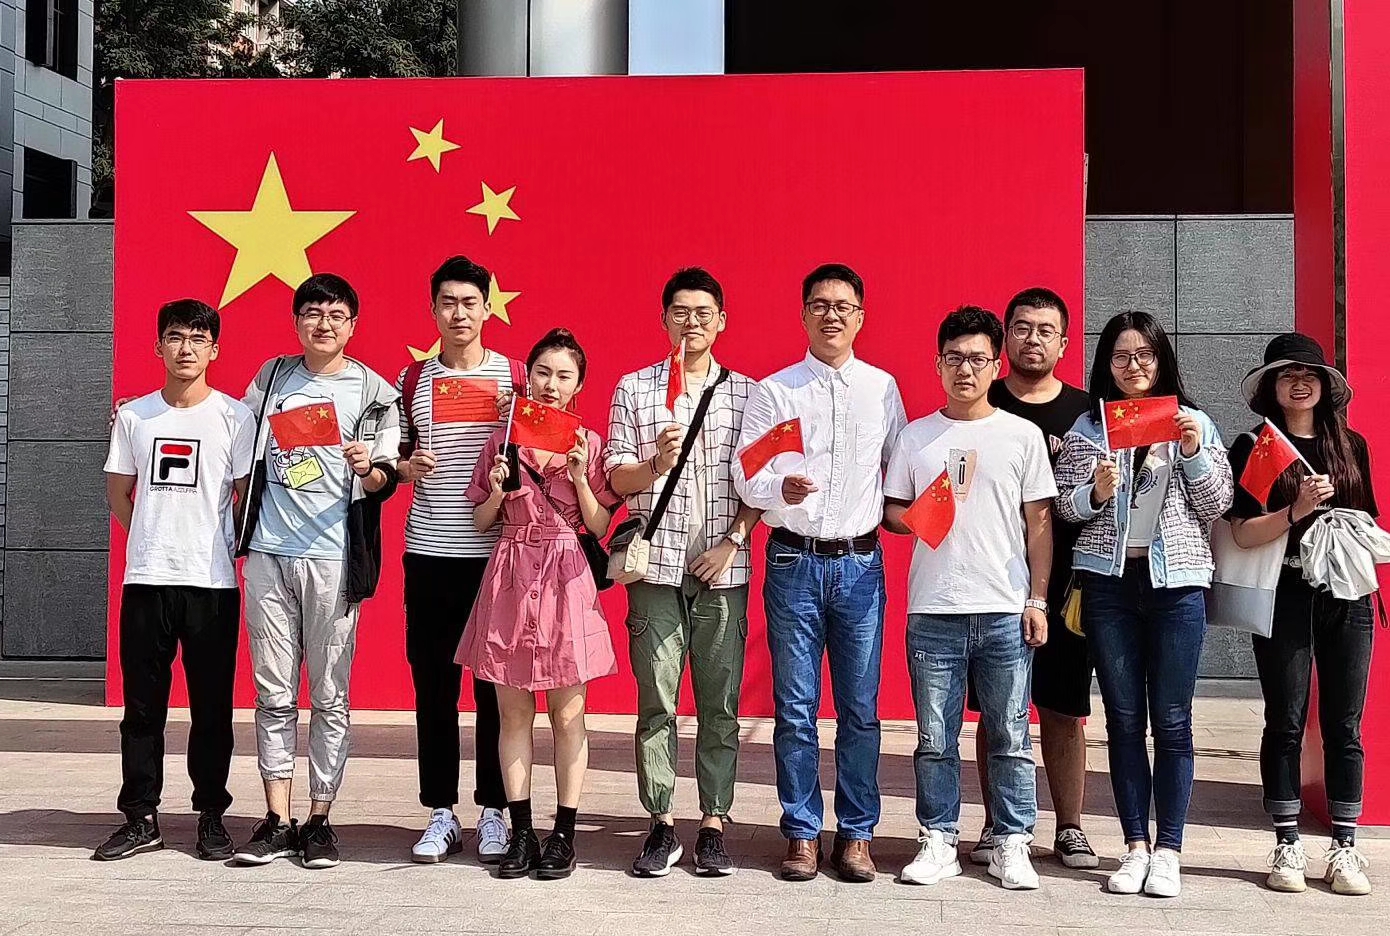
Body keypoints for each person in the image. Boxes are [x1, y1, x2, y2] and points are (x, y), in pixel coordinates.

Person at [732, 263, 907, 883]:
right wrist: (778, 487)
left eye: (843, 306)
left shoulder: (882, 389)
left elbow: (900, 469)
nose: (831, 315)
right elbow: (746, 473)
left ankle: (857, 834)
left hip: (859, 564)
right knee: (796, 706)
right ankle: (802, 832)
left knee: (860, 707)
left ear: (861, 316)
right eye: (819, 305)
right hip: (793, 562)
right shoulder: (776, 392)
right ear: (803, 314)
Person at [1053, 310, 1233, 898]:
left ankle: (1170, 849)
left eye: (1145, 355)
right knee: (1124, 718)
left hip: (1176, 584)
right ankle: (1134, 846)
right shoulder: (1089, 428)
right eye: (1121, 356)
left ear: (1162, 360)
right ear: (1106, 363)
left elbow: (1217, 504)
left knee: (1174, 720)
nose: (1133, 366)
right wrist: (1094, 492)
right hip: (1109, 586)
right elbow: (1064, 509)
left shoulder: (1193, 421)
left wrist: (1192, 452)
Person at [232, 273, 402, 869]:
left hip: (334, 559)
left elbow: (385, 479)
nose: (323, 324)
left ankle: (320, 818)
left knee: (331, 695)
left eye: (335, 315)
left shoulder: (376, 392)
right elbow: (230, 433)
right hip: (268, 554)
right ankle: (277, 817)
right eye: (312, 313)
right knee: (273, 692)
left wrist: (367, 468)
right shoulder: (272, 378)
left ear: (353, 325)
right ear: (296, 321)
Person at [883, 306, 1055, 890]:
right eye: (954, 358)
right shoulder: (916, 436)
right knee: (935, 738)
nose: (966, 369)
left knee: (1010, 733)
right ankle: (939, 838)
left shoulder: (1021, 435)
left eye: (978, 359)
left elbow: (1039, 525)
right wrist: (919, 516)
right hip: (934, 609)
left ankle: (1012, 841)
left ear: (996, 365)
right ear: (937, 364)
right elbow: (891, 513)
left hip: (1004, 607)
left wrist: (1037, 600)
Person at [604, 267, 761, 878]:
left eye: (702, 313)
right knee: (657, 702)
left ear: (722, 320)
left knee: (720, 704)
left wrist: (732, 542)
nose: (690, 323)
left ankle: (714, 823)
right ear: (663, 318)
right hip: (657, 571)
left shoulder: (747, 393)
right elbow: (616, 478)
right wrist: (654, 464)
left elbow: (761, 482)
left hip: (724, 570)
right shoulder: (635, 388)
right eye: (679, 312)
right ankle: (661, 823)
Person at [94, 299, 256, 862]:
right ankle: (140, 817)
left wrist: (207, 540)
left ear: (215, 350)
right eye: (175, 337)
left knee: (211, 708)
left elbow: (243, 497)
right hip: (146, 580)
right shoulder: (135, 417)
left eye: (197, 339)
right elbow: (119, 493)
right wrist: (152, 534)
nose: (186, 348)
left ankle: (211, 814)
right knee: (142, 709)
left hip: (213, 583)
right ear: (158, 346)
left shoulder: (235, 418)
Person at [456, 328, 620, 881]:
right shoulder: (501, 439)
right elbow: (481, 519)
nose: (551, 385)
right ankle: (521, 831)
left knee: (568, 714)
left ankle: (563, 834)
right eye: (543, 373)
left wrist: (580, 478)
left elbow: (599, 524)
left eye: (563, 376)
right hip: (510, 571)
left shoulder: (588, 443)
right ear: (528, 378)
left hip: (566, 575)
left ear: (579, 386)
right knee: (513, 712)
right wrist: (497, 491)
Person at [1227, 333, 1378, 896]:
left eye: (1309, 374)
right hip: (1285, 589)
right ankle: (1286, 840)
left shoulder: (1350, 445)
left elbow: (1368, 516)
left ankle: (1345, 844)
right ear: (1270, 386)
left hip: (1348, 592)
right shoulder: (1256, 446)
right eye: (1287, 374)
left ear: (1325, 385)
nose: (1299, 383)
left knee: (1344, 722)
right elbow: (1242, 532)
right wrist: (1297, 510)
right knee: (1285, 719)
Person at [395, 256, 524, 864]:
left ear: (487, 308)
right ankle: (441, 812)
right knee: (433, 686)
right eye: (448, 302)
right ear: (433, 310)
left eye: (470, 302)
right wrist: (404, 467)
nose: (459, 313)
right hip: (429, 551)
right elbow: (393, 460)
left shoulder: (516, 377)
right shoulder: (412, 380)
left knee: (495, 691)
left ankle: (495, 810)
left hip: (498, 556)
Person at [968, 288, 1097, 870]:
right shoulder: (979, 399)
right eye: (1022, 328)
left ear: (1064, 343)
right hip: (990, 583)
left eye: (1046, 330)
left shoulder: (1088, 414)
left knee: (1064, 710)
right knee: (995, 712)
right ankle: (996, 824)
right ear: (1005, 339)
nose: (1033, 339)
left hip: (1068, 588)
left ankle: (1069, 826)